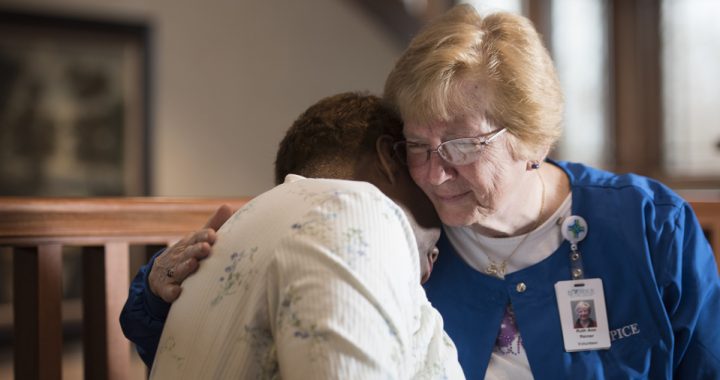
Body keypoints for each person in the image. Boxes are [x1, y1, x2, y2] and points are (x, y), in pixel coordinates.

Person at [122, 4, 720, 379]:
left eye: (461, 145)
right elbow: (243, 335)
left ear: (530, 135)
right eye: (417, 144)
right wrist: (156, 290)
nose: (433, 173)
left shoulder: (648, 225)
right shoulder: (389, 236)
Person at [132, 93, 464, 379]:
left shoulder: (247, 230)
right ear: (389, 158)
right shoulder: (358, 212)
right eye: (434, 246)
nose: (432, 261)